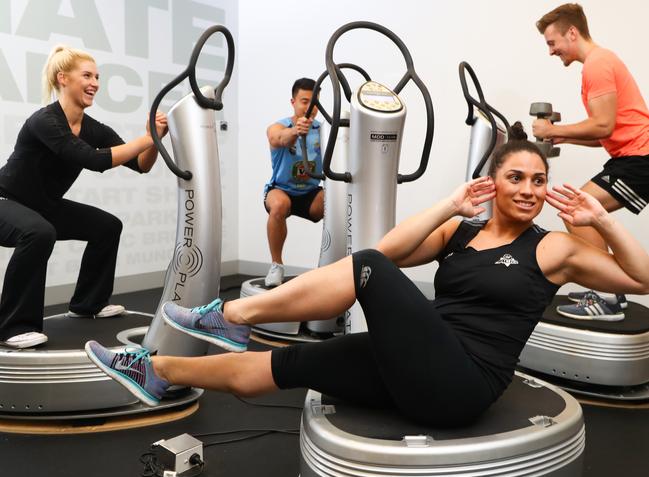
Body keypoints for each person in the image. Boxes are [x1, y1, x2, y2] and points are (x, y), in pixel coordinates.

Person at [85, 125, 649, 426]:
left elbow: (642, 279)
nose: (529, 189)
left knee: (368, 271)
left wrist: (602, 220)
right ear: (494, 183)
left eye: (539, 180)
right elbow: (389, 250)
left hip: (464, 384)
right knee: (289, 363)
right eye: (517, 177)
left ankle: (230, 316)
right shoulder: (458, 233)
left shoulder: (553, 249)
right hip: (421, 361)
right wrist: (448, 206)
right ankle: (157, 371)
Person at [0, 45, 168, 349]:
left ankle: (88, 304)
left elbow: (140, 165)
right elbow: (93, 160)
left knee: (106, 226)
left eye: (98, 76)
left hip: (42, 205)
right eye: (87, 75)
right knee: (39, 232)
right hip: (5, 201)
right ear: (63, 78)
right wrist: (146, 138)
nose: (95, 83)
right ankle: (13, 327)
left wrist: (152, 140)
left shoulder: (93, 128)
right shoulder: (45, 121)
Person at [533, 3, 649, 321]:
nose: (551, 51)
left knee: (576, 210)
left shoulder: (597, 63)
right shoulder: (598, 63)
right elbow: (604, 134)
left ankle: (609, 296)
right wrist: (564, 137)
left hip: (640, 159)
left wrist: (552, 129)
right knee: (578, 210)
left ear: (572, 32)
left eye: (552, 42)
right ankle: (611, 293)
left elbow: (603, 125)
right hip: (631, 157)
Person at [263, 78, 324, 287]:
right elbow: (278, 139)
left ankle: (331, 265)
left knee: (338, 202)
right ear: (293, 102)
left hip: (311, 193)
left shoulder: (323, 130)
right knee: (280, 206)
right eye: (304, 101)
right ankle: (276, 265)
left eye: (314, 102)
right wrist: (295, 132)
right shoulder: (279, 126)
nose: (310, 107)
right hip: (281, 190)